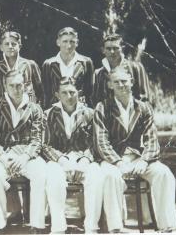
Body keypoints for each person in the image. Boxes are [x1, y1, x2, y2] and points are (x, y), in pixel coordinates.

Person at [93, 67, 176, 233]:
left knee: (164, 173)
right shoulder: (102, 107)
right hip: (113, 158)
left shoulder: (143, 108)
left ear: (131, 83)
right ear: (110, 85)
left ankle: (167, 225)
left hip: (138, 157)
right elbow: (101, 141)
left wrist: (145, 160)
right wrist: (118, 163)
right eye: (116, 82)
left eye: (124, 81)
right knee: (110, 177)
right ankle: (116, 227)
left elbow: (151, 138)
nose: (121, 85)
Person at [0, 70, 46, 232]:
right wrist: (3, 157)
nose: (16, 89)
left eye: (19, 85)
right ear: (5, 86)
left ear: (25, 86)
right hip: (3, 155)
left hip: (27, 156)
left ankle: (37, 225)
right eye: (12, 85)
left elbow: (37, 139)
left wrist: (25, 157)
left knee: (41, 174)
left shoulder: (35, 109)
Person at [42, 77, 103, 234]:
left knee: (95, 174)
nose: (69, 96)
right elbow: (45, 144)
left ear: (79, 93)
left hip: (83, 157)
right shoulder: (49, 114)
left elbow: (96, 143)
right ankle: (58, 227)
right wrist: (61, 160)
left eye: (72, 92)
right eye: (64, 93)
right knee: (53, 175)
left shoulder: (90, 113)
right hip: (59, 159)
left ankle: (91, 227)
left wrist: (85, 159)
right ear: (57, 95)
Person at [92, 33, 150, 107]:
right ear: (103, 50)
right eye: (108, 49)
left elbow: (144, 98)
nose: (112, 52)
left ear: (122, 48)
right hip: (107, 116)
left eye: (115, 48)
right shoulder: (99, 73)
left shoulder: (136, 68)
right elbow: (96, 100)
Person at [42, 27, 94, 108]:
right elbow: (46, 94)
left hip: (80, 110)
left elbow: (90, 93)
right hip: (56, 111)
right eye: (65, 41)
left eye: (72, 42)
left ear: (77, 43)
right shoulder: (49, 64)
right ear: (58, 42)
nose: (69, 46)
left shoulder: (86, 62)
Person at [0, 31, 43, 105]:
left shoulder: (30, 65)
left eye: (13, 44)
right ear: (1, 47)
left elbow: (40, 91)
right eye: (7, 44)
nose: (10, 46)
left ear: (19, 46)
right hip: (4, 111)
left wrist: (35, 107)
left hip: (27, 110)